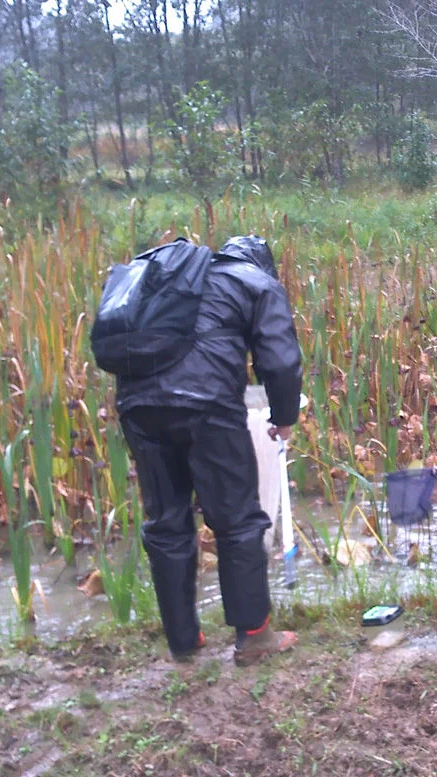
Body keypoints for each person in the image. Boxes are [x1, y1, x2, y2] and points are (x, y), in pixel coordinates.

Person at [97, 235, 302, 666]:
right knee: (237, 518)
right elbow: (280, 361)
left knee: (166, 523)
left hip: (138, 409)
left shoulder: (177, 282)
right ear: (263, 264)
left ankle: (183, 641)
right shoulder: (254, 281)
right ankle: (254, 637)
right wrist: (283, 417)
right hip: (207, 408)